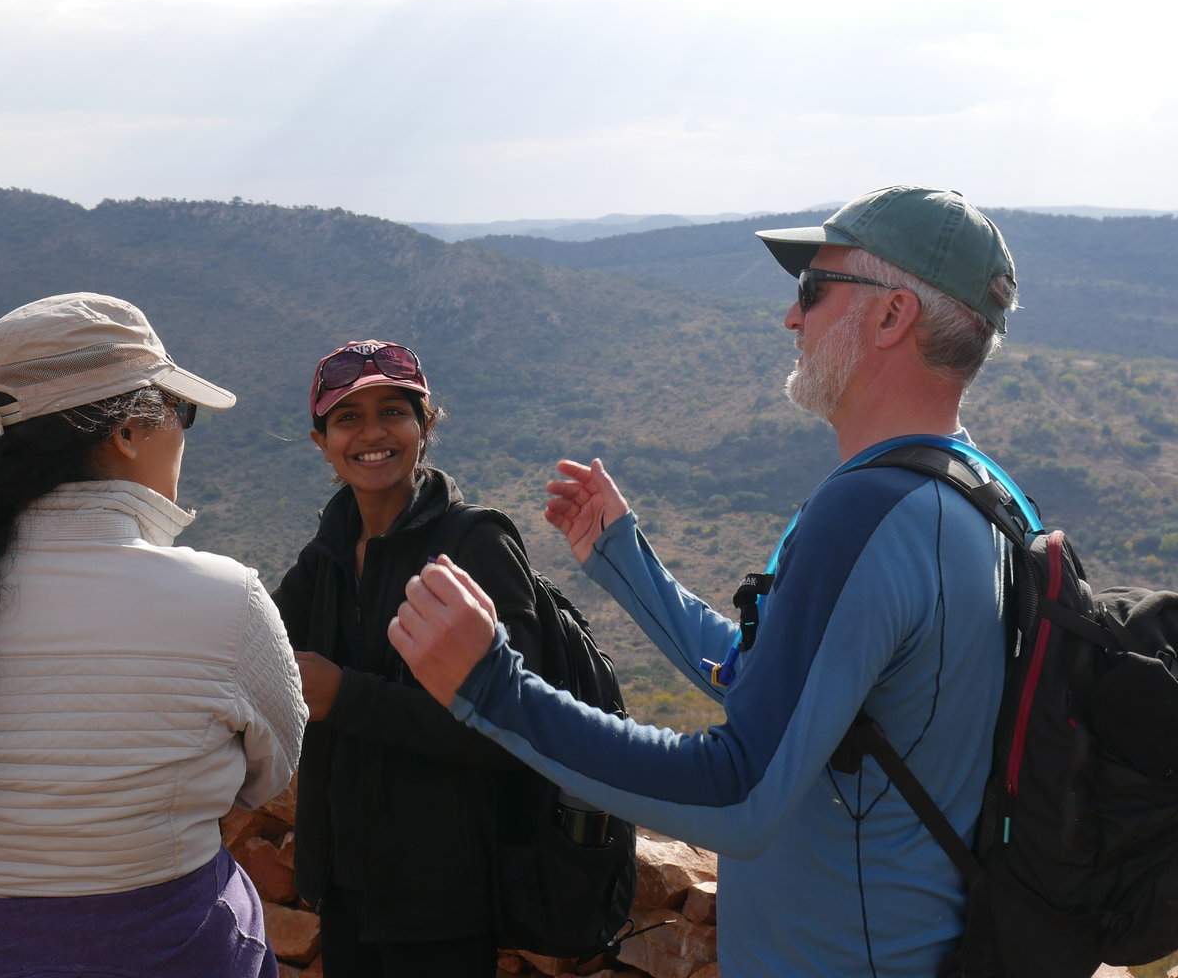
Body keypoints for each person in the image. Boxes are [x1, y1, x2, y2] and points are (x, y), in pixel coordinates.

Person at [390, 186, 1021, 978]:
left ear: (893, 316)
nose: (792, 318)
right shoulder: (982, 496)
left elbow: (739, 792)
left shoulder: (869, 512)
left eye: (813, 291)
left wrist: (492, 688)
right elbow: (780, 690)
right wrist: (626, 561)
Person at [0, 293, 305, 978]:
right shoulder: (227, 597)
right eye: (183, 411)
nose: (184, 432)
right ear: (130, 431)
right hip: (168, 948)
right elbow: (267, 774)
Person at [273, 341, 546, 978]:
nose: (372, 434)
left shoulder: (474, 544)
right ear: (321, 442)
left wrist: (345, 696)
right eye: (347, 418)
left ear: (425, 426)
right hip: (345, 886)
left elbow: (517, 722)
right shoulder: (330, 552)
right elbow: (254, 642)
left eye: (392, 412)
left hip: (440, 896)